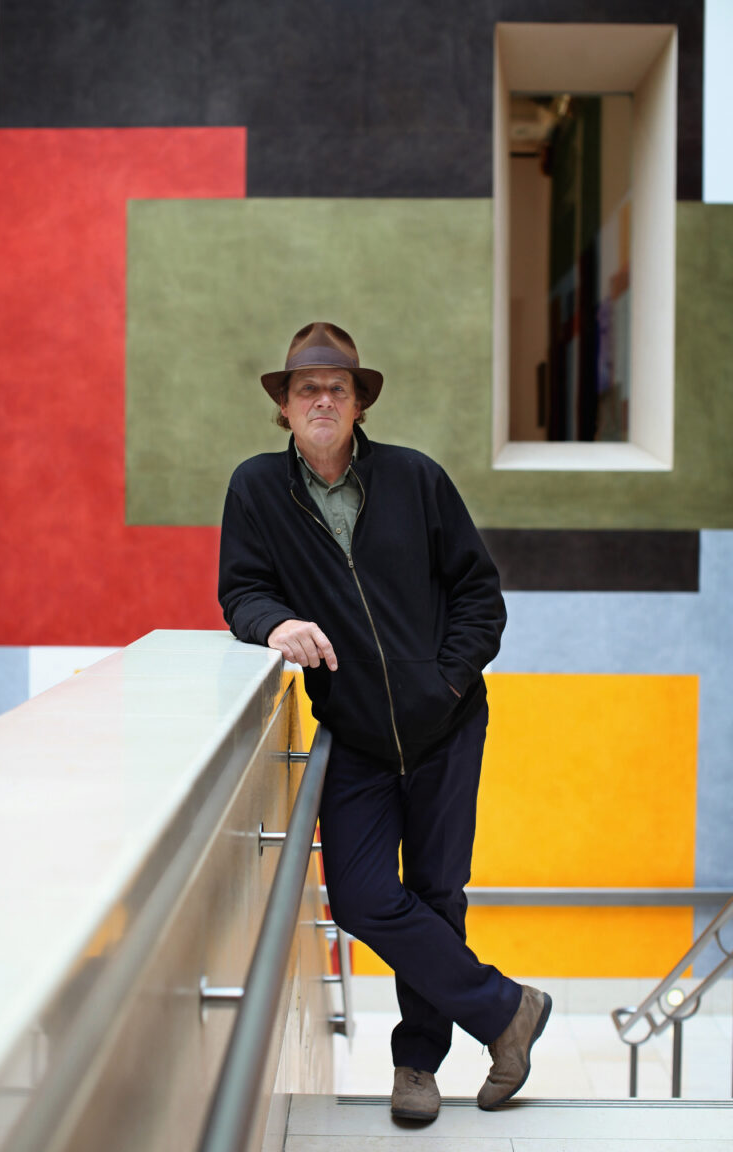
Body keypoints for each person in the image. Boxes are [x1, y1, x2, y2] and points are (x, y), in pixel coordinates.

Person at [218, 321, 551, 1120]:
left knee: (437, 893)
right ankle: (508, 1011)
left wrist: (445, 682)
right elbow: (241, 590)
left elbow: (479, 594)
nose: (323, 399)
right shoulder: (259, 489)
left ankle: (418, 1069)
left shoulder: (415, 479)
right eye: (308, 389)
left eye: (338, 387)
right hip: (356, 739)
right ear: (287, 409)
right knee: (365, 899)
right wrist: (274, 626)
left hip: (447, 726)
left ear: (359, 403)